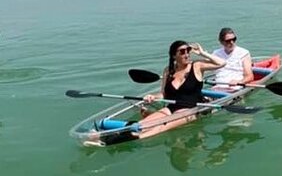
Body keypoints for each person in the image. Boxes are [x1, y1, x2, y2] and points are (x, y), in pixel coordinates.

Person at [84, 40, 225, 146]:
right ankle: (103, 134)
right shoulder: (168, 71)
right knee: (141, 125)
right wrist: (152, 97)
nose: (187, 54)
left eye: (188, 50)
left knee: (158, 128)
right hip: (170, 108)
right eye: (182, 51)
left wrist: (202, 53)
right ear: (173, 55)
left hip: (190, 110)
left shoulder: (197, 66)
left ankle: (106, 140)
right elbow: (164, 95)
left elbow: (221, 63)